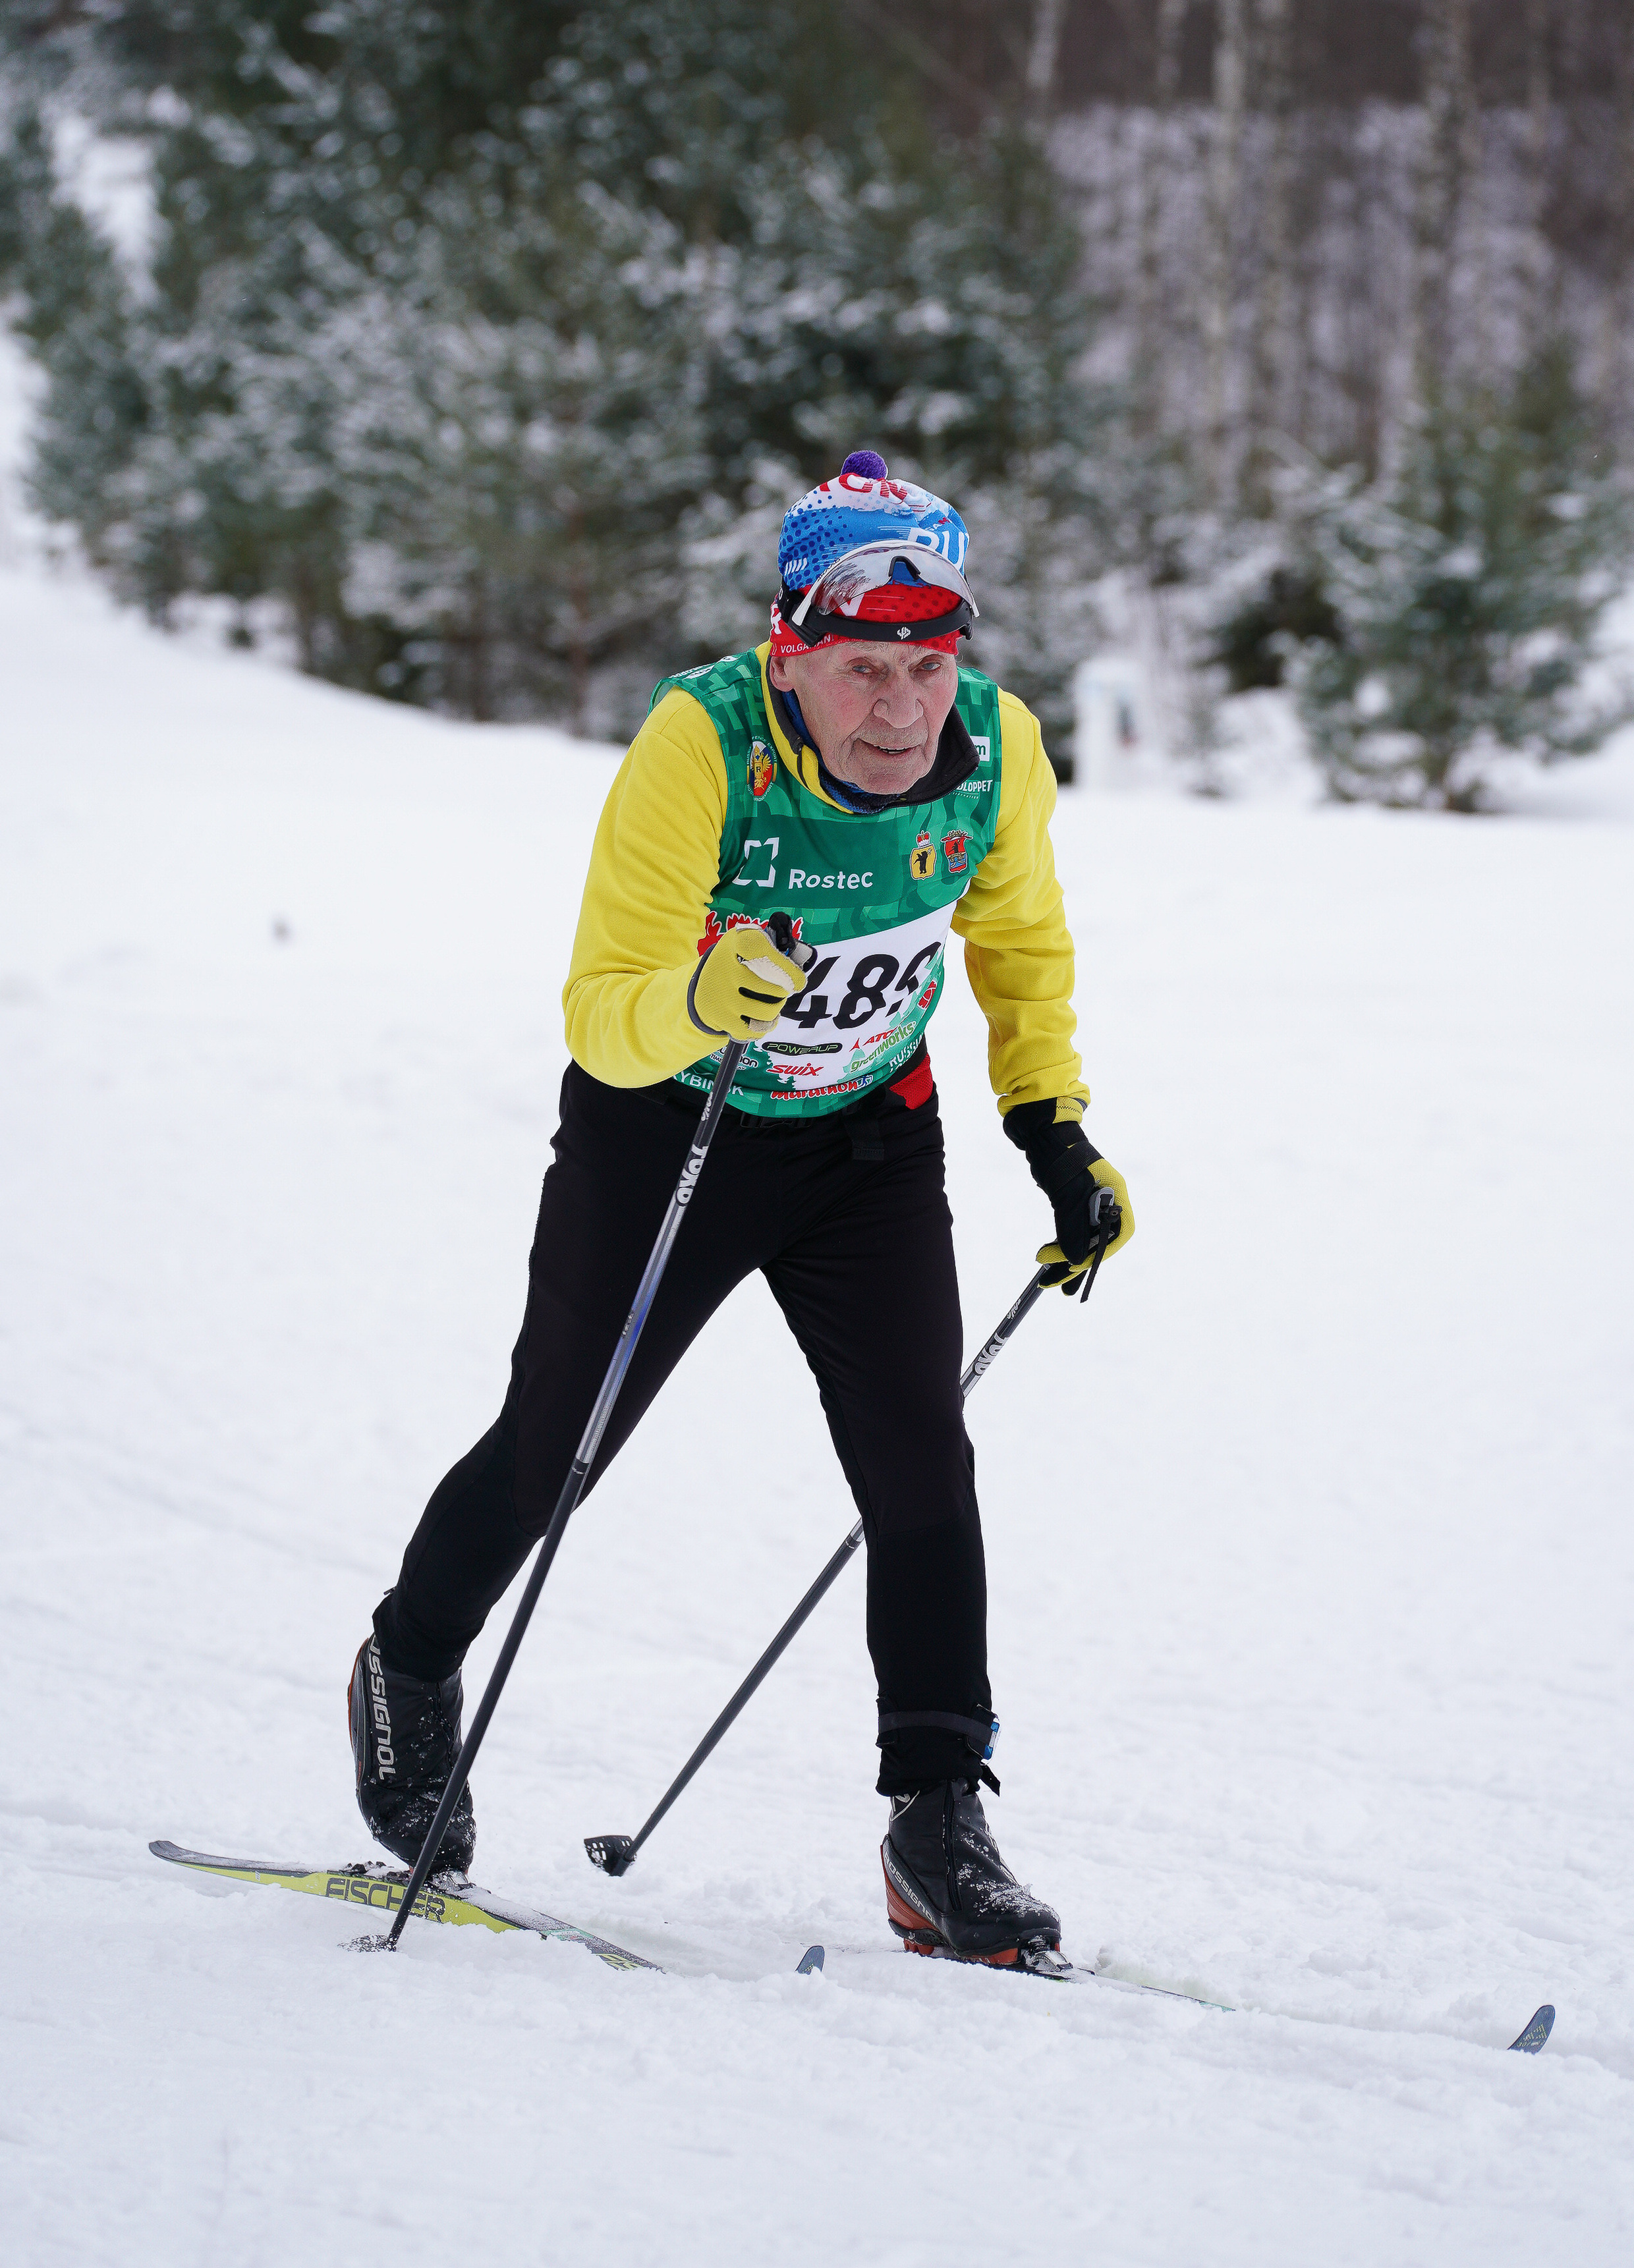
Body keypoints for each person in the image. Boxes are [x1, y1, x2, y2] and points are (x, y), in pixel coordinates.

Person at [347, 451, 1133, 1968]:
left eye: (925, 663)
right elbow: (600, 1013)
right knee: (552, 1447)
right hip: (674, 1128)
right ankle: (408, 1664)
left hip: (866, 1142)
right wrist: (702, 997)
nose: (902, 707)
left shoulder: (997, 747)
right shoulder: (699, 743)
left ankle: (935, 1818)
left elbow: (1019, 941)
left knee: (919, 1462)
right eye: (860, 670)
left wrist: (1051, 1125)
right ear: (791, 655)